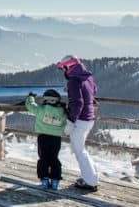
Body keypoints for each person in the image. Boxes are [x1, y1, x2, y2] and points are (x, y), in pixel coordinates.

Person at [57, 55, 99, 191]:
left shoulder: (74, 80)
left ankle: (90, 181)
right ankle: (91, 176)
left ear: (68, 67)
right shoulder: (87, 77)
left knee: (80, 151)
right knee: (81, 150)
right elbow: (93, 91)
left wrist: (70, 122)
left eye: (63, 68)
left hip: (80, 120)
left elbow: (77, 103)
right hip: (89, 119)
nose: (63, 71)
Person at [25, 89, 68, 190]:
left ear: (45, 100)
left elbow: (30, 106)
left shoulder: (41, 110)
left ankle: (44, 180)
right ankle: (55, 181)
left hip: (43, 137)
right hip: (56, 138)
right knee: (54, 158)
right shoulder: (63, 112)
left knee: (43, 158)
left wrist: (30, 97)